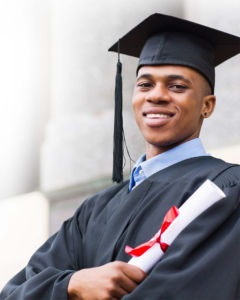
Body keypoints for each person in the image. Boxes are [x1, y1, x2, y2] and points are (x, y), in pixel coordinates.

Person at [1, 13, 240, 300]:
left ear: (207, 105)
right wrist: (73, 285)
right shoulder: (94, 211)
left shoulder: (224, 191)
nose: (157, 96)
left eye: (177, 86)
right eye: (145, 84)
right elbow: (14, 293)